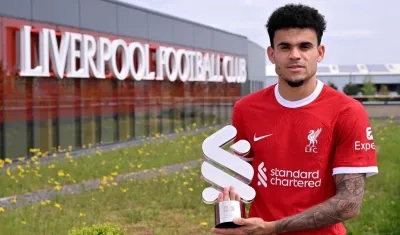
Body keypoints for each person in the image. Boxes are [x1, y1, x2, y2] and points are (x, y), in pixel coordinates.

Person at [209, 3, 379, 235]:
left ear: (319, 53)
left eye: (305, 46)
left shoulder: (348, 111)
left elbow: (349, 203)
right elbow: (240, 178)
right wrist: (232, 216)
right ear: (272, 54)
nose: (295, 55)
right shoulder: (246, 108)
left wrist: (273, 227)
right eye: (285, 47)